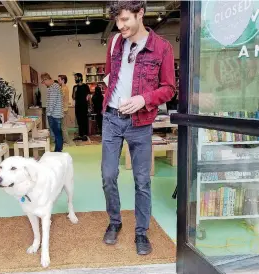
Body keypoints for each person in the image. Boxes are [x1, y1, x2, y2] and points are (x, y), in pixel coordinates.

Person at [101, 1, 175, 255]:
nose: (120, 26)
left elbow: (168, 88)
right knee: (108, 175)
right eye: (117, 21)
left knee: (142, 180)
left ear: (140, 13)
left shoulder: (162, 48)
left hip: (141, 122)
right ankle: (114, 221)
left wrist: (143, 99)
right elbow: (110, 74)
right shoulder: (114, 42)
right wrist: (110, 89)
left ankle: (141, 232)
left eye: (124, 20)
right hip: (111, 118)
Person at [41, 73, 63, 152]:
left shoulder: (54, 87)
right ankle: (58, 150)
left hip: (54, 115)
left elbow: (52, 102)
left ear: (46, 79)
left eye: (43, 82)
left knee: (57, 133)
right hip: (55, 114)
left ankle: (58, 151)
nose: (44, 84)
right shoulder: (53, 87)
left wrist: (48, 113)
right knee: (57, 133)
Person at [72, 73, 90, 141]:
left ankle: (85, 135)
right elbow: (73, 97)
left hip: (84, 106)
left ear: (79, 78)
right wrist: (75, 91)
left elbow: (88, 96)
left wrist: (90, 105)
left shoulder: (85, 86)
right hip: (77, 106)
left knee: (84, 120)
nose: (75, 79)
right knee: (79, 120)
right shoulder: (75, 87)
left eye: (76, 77)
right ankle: (80, 135)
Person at [58, 75, 70, 144]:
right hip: (64, 109)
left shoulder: (63, 88)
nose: (58, 81)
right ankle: (65, 140)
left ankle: (66, 141)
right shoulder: (63, 87)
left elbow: (60, 98)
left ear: (63, 80)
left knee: (63, 127)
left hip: (63, 110)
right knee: (63, 126)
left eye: (59, 80)